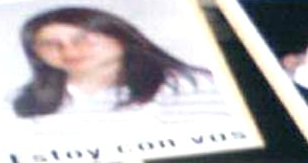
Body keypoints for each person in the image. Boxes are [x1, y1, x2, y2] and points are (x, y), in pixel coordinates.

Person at [12, 7, 229, 123]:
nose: (69, 51)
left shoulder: (191, 85)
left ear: (121, 37)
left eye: (83, 39)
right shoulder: (24, 99)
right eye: (50, 45)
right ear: (36, 54)